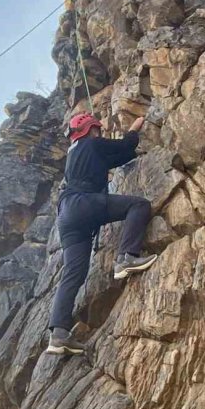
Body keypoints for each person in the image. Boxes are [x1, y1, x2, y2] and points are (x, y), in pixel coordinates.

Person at [47, 111, 157, 355]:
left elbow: (116, 158)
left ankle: (59, 334)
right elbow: (126, 144)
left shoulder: (75, 153)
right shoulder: (92, 143)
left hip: (66, 215)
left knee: (73, 273)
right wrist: (135, 128)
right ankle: (126, 257)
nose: (100, 132)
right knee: (138, 205)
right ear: (91, 129)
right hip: (83, 203)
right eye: (97, 129)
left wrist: (131, 152)